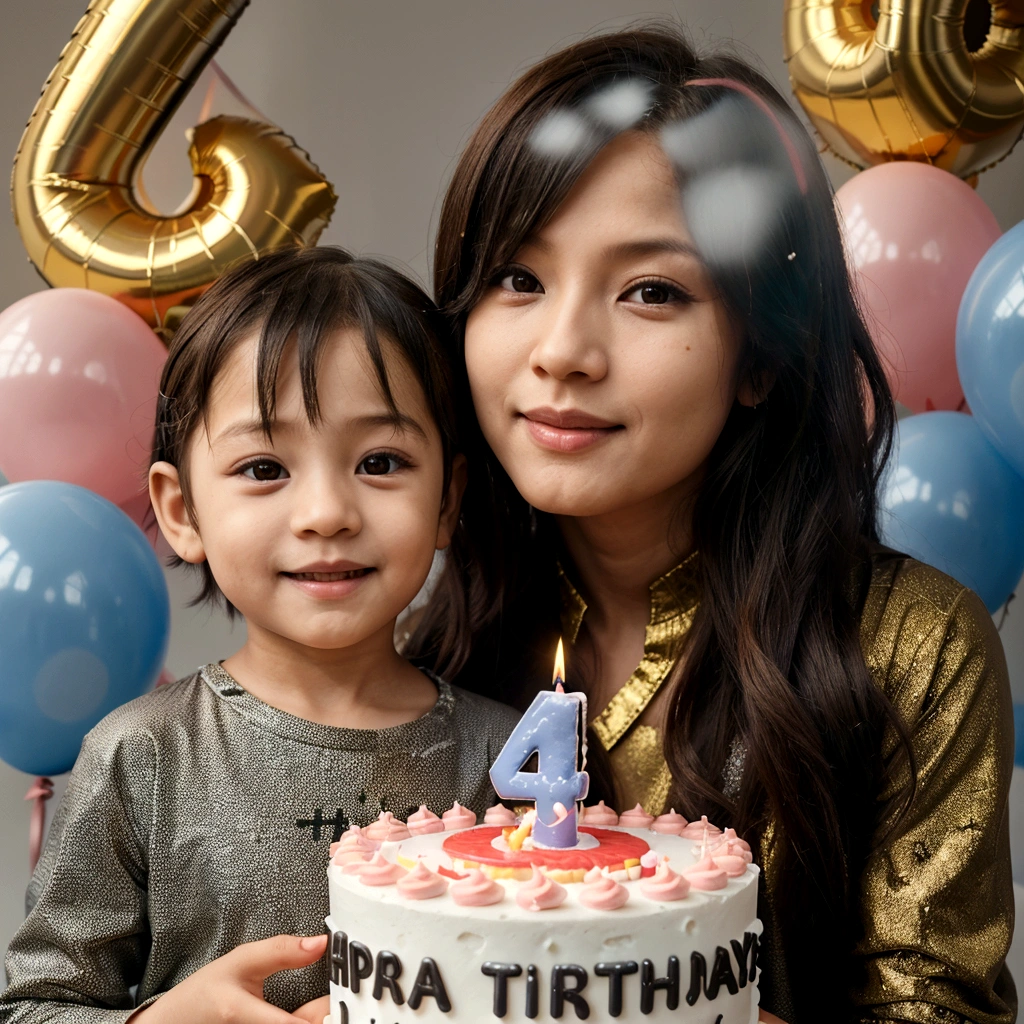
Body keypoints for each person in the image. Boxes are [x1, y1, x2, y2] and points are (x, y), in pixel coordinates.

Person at [409, 24, 1016, 1024]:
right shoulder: (424, 650)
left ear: (761, 357)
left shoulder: (911, 648)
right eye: (518, 277)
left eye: (651, 290)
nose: (562, 351)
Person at [1, 247, 520, 1023]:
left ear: (448, 499)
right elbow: (35, 1006)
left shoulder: (507, 761)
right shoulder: (140, 757)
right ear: (180, 511)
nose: (326, 513)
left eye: (380, 462)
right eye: (264, 468)